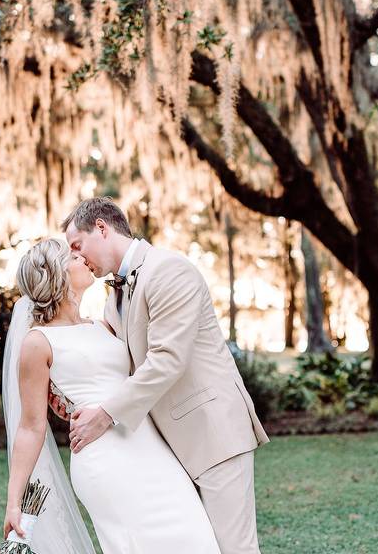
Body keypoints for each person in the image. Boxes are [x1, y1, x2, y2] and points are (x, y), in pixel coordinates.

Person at [60, 197, 269, 554]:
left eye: (77, 246)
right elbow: (114, 364)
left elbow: (167, 359)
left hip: (212, 433)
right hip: (170, 446)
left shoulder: (169, 270)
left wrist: (106, 416)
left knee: (234, 549)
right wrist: (72, 397)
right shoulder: (114, 298)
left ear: (101, 228)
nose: (77, 258)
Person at [2, 238, 221, 553]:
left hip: (149, 445)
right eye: (74, 257)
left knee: (194, 535)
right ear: (57, 273)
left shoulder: (103, 325)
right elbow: (31, 426)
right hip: (103, 458)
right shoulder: (38, 342)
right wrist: (14, 502)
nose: (84, 259)